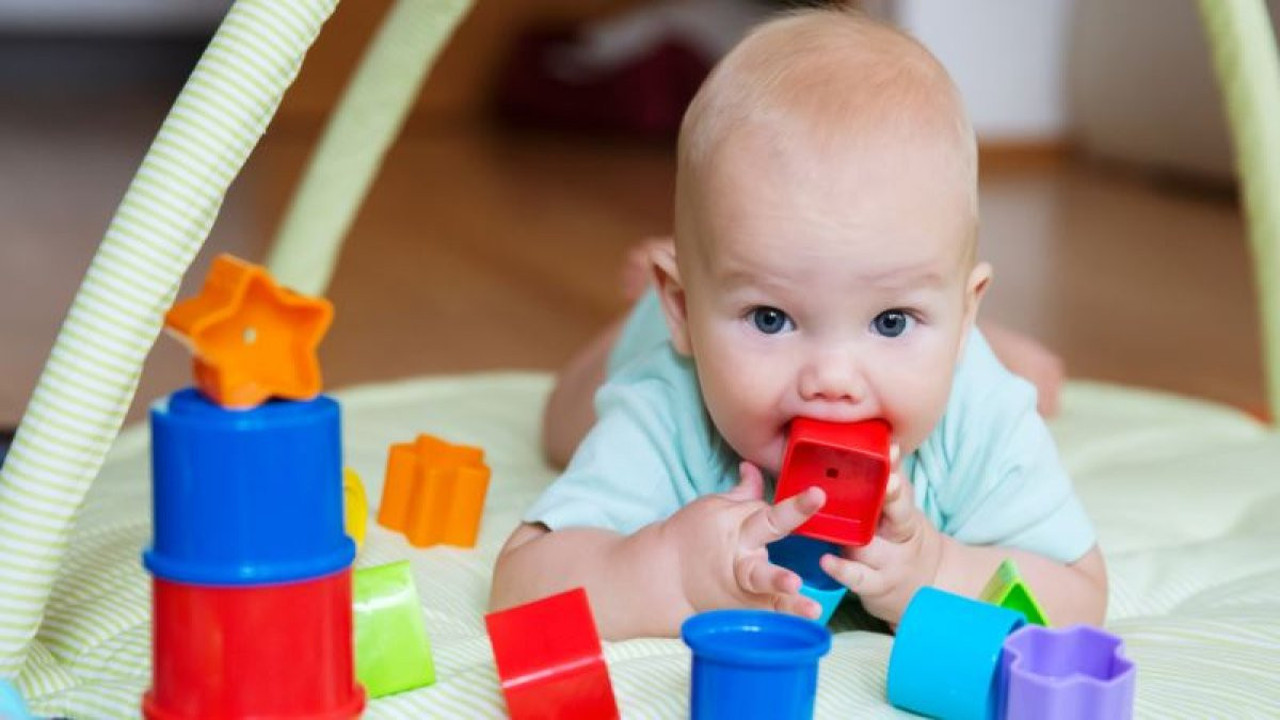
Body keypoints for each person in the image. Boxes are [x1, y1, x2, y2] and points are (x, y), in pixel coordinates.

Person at [490, 8, 1106, 640]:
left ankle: (930, 327)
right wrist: (672, 570)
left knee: (1018, 378)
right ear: (684, 308)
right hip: (660, 337)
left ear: (964, 314)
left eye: (892, 321)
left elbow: (1079, 591)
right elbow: (522, 582)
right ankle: (644, 312)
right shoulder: (668, 408)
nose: (833, 379)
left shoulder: (977, 414)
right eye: (770, 318)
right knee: (562, 424)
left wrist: (939, 571)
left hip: (906, 330)